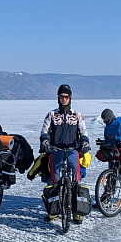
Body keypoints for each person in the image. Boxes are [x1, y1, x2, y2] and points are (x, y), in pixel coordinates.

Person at [39, 84, 90, 224]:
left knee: (76, 180)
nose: (64, 99)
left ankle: (77, 211)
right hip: (56, 150)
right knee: (54, 180)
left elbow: (84, 131)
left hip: (73, 150)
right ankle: (54, 211)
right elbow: (44, 130)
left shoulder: (76, 114)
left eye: (66, 97)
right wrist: (45, 141)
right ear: (58, 98)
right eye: (61, 97)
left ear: (70, 98)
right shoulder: (52, 114)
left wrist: (84, 141)